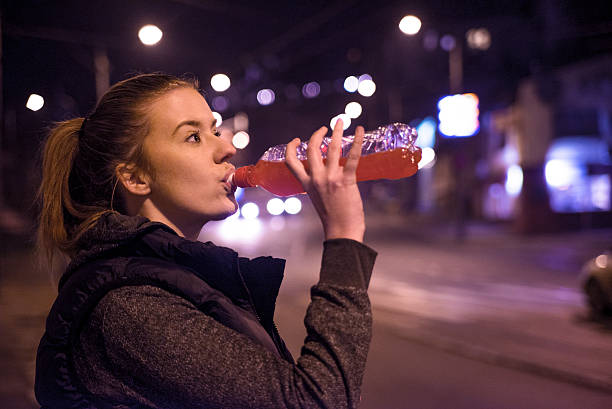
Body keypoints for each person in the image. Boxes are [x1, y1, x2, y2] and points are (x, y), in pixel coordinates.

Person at [35, 73, 377, 409]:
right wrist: (344, 234)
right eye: (193, 137)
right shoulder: (131, 307)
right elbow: (316, 400)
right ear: (135, 177)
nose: (227, 148)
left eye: (214, 130)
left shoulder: (175, 281)